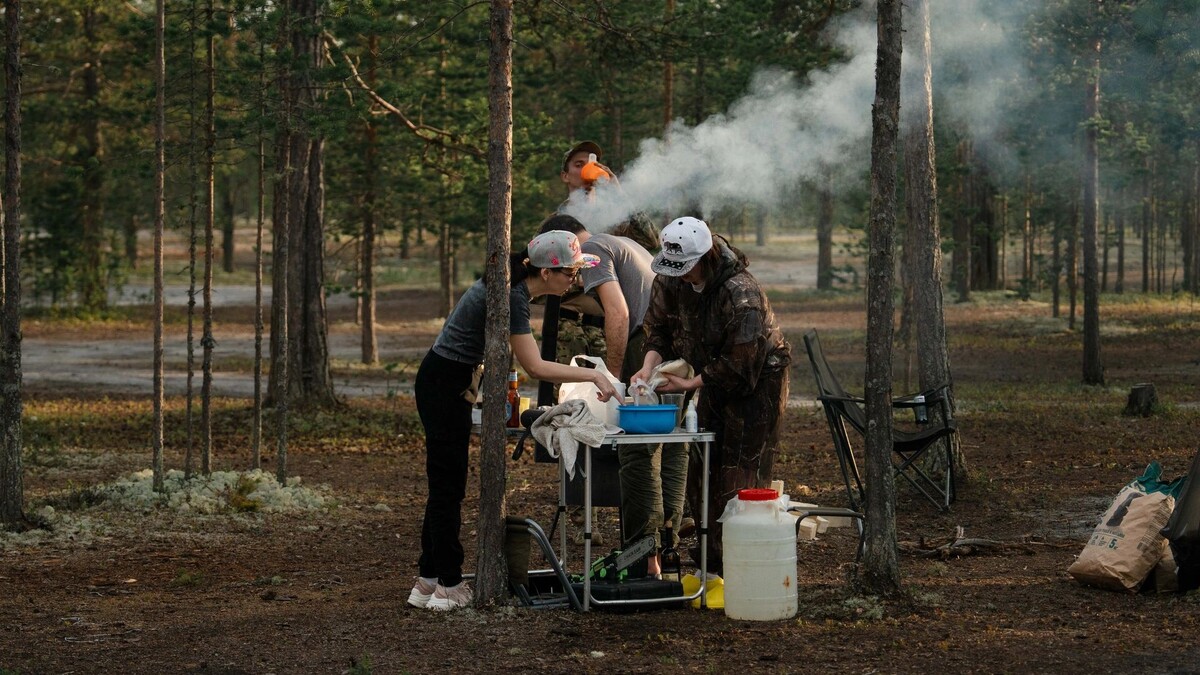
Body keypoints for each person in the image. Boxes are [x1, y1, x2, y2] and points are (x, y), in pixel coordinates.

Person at [408, 230, 620, 611]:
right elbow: (535, 365)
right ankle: (450, 585)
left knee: (446, 483)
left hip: (449, 378)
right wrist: (593, 374)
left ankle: (427, 580)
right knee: (448, 487)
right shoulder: (513, 296)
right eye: (571, 272)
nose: (574, 280)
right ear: (547, 271)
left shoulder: (515, 288)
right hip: (445, 382)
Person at [632, 216, 791, 583]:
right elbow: (658, 329)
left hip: (757, 381)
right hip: (710, 372)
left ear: (707, 257)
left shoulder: (741, 293)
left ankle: (739, 564)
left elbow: (742, 362)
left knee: (739, 469)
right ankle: (710, 560)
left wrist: (691, 385)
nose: (682, 276)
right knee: (703, 463)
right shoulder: (670, 279)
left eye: (688, 269)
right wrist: (648, 366)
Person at [537, 214, 686, 573]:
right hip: (673, 346)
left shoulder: (589, 250)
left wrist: (614, 376)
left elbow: (618, 314)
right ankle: (667, 544)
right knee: (674, 443)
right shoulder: (618, 243)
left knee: (637, 451)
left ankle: (642, 556)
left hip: (646, 345)